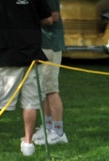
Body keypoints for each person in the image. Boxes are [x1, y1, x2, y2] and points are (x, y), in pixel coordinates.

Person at [0, 0, 54, 156]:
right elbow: (47, 18)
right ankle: (28, 144)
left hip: (7, 54)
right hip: (32, 53)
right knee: (31, 102)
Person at [33, 0, 67, 146]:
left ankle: (59, 132)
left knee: (51, 89)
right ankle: (48, 127)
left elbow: (53, 17)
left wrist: (27, 20)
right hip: (42, 44)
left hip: (50, 45)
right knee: (43, 88)